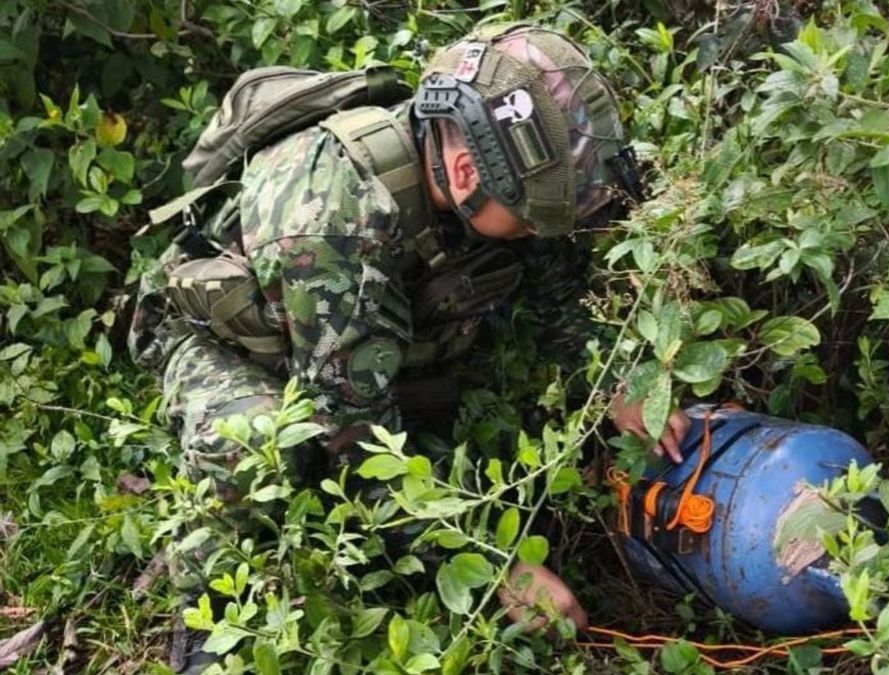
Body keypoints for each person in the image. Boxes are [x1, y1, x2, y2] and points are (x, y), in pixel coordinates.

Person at [128, 21, 690, 673]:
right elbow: (355, 435)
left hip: (355, 333)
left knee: (477, 450)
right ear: (462, 169)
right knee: (250, 442)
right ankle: (207, 618)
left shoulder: (500, 171)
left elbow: (557, 294)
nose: (544, 227)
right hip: (230, 341)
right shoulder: (339, 222)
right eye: (536, 212)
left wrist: (616, 383)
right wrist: (494, 567)